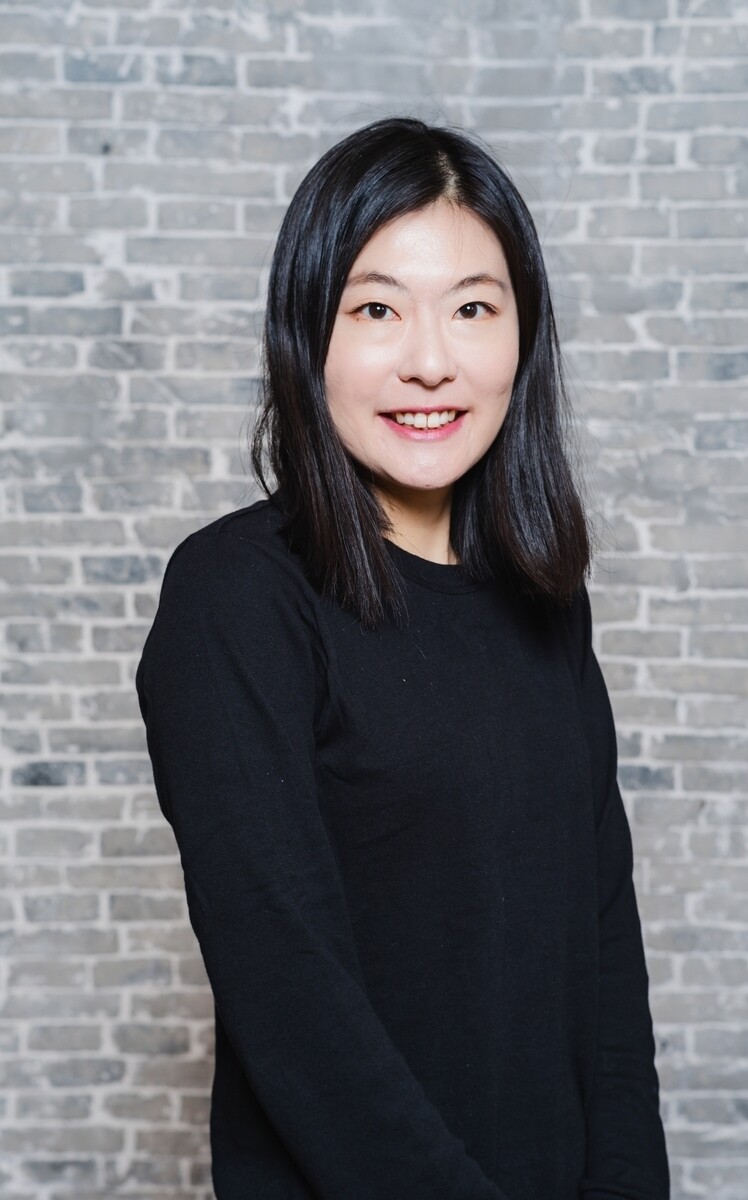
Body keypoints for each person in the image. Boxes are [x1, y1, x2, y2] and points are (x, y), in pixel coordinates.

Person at [135, 116, 670, 1200]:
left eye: (473, 308)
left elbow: (605, 964)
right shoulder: (236, 597)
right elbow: (295, 1006)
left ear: (523, 337)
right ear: (307, 335)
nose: (430, 362)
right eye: (376, 309)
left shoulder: (543, 598)